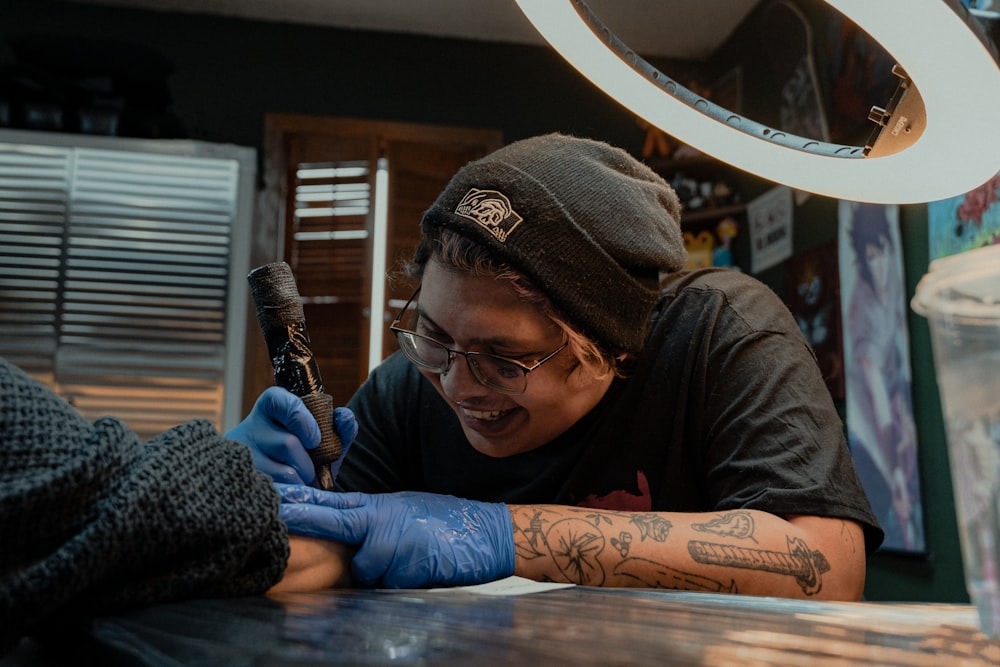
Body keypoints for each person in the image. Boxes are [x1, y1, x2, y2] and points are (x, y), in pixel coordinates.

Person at [230, 133, 883, 600]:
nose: (457, 384)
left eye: (502, 358)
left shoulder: (720, 332)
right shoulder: (411, 388)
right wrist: (248, 506)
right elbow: (324, 553)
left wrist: (500, 534)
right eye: (432, 334)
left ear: (615, 346)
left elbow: (825, 563)